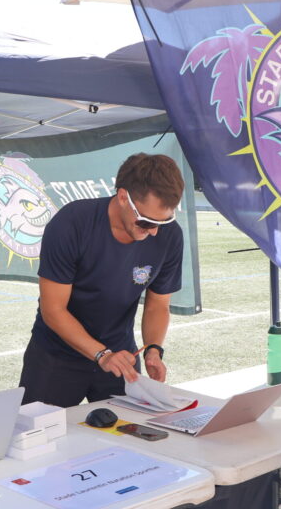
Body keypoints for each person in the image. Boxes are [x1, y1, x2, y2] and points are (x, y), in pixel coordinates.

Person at [18, 153, 184, 407]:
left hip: (121, 357)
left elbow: (158, 305)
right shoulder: (72, 223)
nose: (153, 231)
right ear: (123, 197)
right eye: (146, 221)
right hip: (56, 356)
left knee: (130, 430)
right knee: (39, 431)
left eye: (163, 221)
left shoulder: (169, 236)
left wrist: (153, 349)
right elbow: (53, 310)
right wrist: (102, 355)